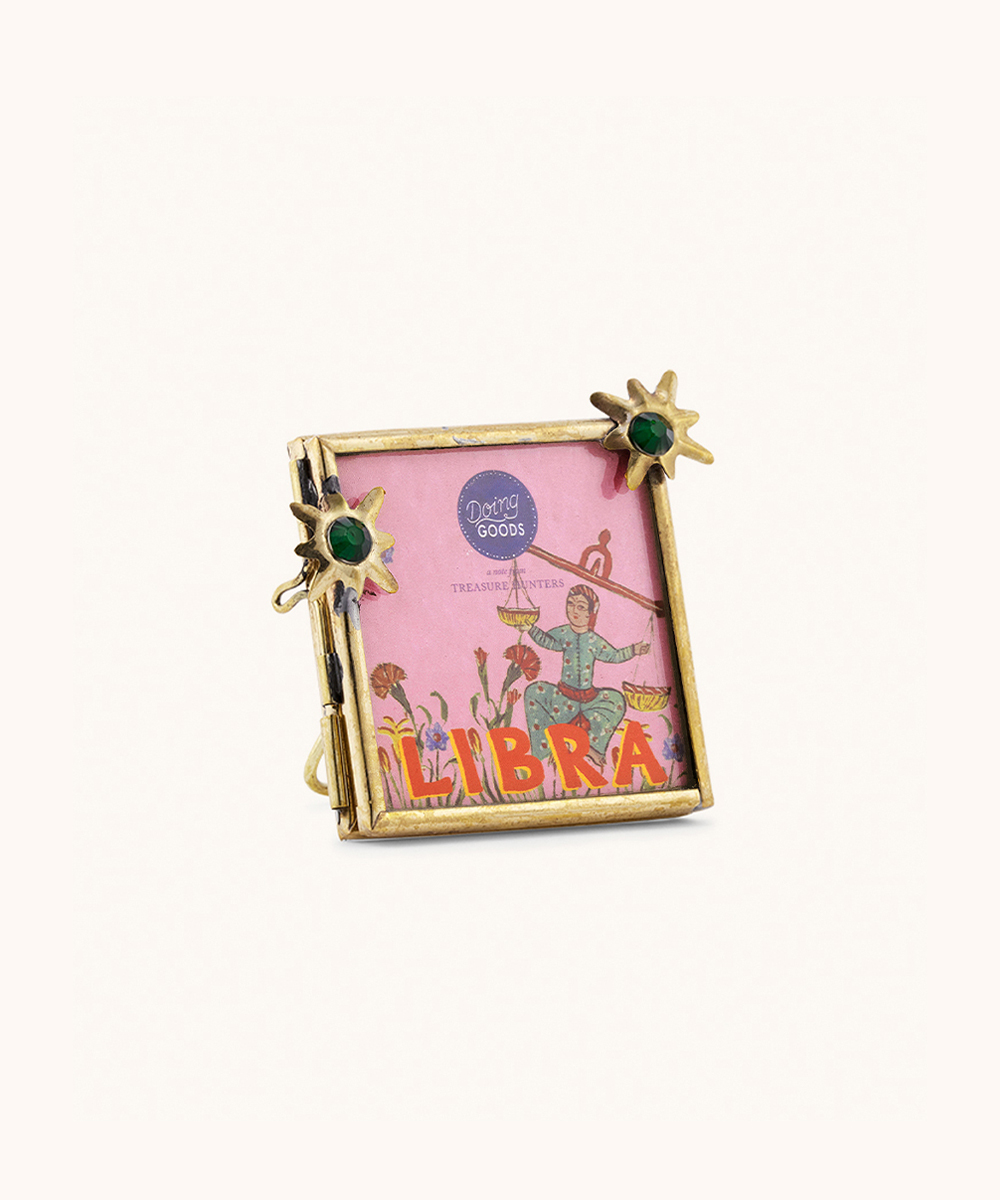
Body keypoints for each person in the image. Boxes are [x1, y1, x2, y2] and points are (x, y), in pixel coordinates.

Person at [524, 584, 649, 770]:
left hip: (589, 699)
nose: (574, 610)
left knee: (616, 701)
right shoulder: (563, 633)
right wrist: (530, 628)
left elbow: (613, 655)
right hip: (563, 697)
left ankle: (590, 747)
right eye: (570, 604)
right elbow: (547, 641)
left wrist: (633, 650)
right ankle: (553, 747)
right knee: (533, 692)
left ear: (591, 613)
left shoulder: (594, 640)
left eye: (581, 607)